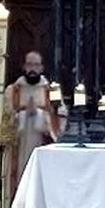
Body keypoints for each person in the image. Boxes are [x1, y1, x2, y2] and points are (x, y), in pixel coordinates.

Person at [5, 51, 62, 192]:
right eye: (29, 64)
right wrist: (23, 115)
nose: (32, 69)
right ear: (24, 66)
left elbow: (61, 115)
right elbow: (4, 118)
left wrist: (38, 114)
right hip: (18, 144)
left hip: (41, 141)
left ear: (41, 68)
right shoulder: (13, 90)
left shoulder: (51, 91)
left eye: (36, 65)